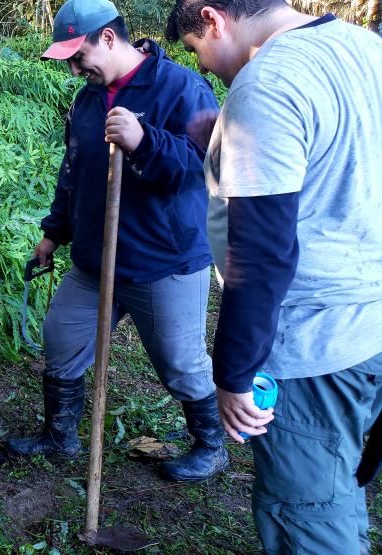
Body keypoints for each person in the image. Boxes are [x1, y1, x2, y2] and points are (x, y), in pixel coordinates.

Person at [166, 1, 382, 552]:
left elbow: (261, 256)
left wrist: (233, 373)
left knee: (310, 515)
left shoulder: (268, 82)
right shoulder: (365, 48)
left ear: (213, 19)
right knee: (338, 476)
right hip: (370, 322)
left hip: (316, 341)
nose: (203, 66)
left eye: (196, 50)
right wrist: (224, 148)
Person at [6, 0, 225, 483]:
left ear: (107, 38)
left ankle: (211, 446)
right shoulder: (87, 101)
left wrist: (145, 141)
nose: (73, 68)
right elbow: (73, 172)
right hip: (93, 258)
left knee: (180, 363)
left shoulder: (182, 88)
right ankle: (60, 436)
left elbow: (207, 167)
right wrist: (53, 233)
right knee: (61, 338)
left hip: (163, 260)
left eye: (77, 56)